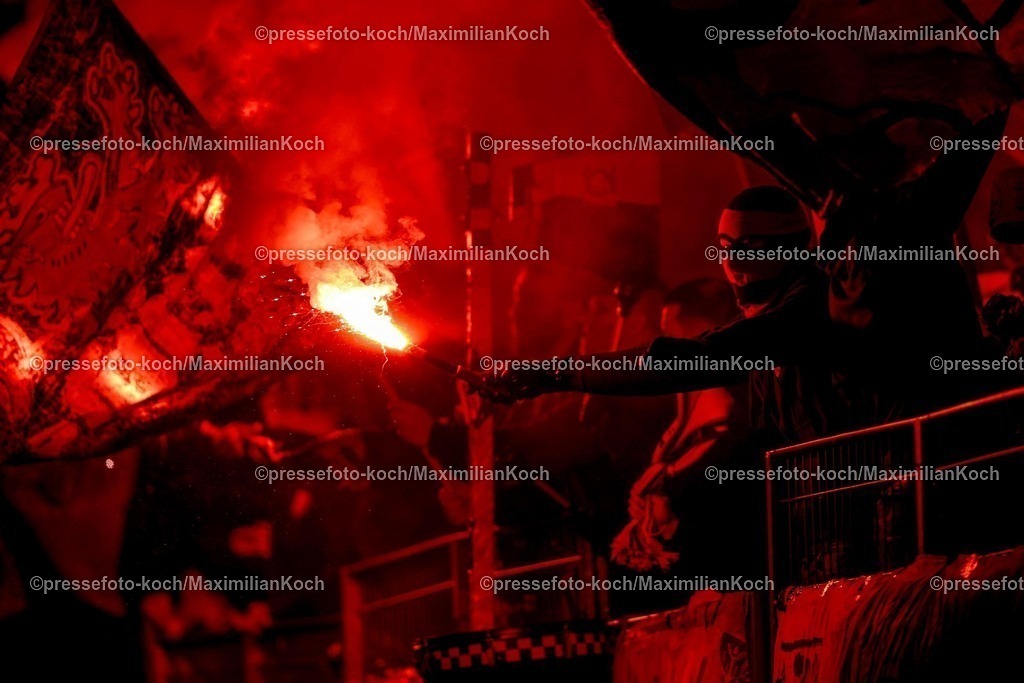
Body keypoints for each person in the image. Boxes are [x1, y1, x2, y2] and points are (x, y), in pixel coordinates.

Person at [486, 186, 848, 446]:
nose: (734, 263)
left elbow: (681, 362)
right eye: (726, 248)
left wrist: (553, 375)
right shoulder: (771, 316)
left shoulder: (804, 312)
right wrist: (550, 375)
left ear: (788, 248)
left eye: (751, 246)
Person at [611, 278, 758, 578]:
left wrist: (668, 483)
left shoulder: (728, 380)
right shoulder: (692, 382)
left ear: (699, 324)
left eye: (671, 328)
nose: (666, 339)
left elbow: (723, 437)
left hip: (734, 545)